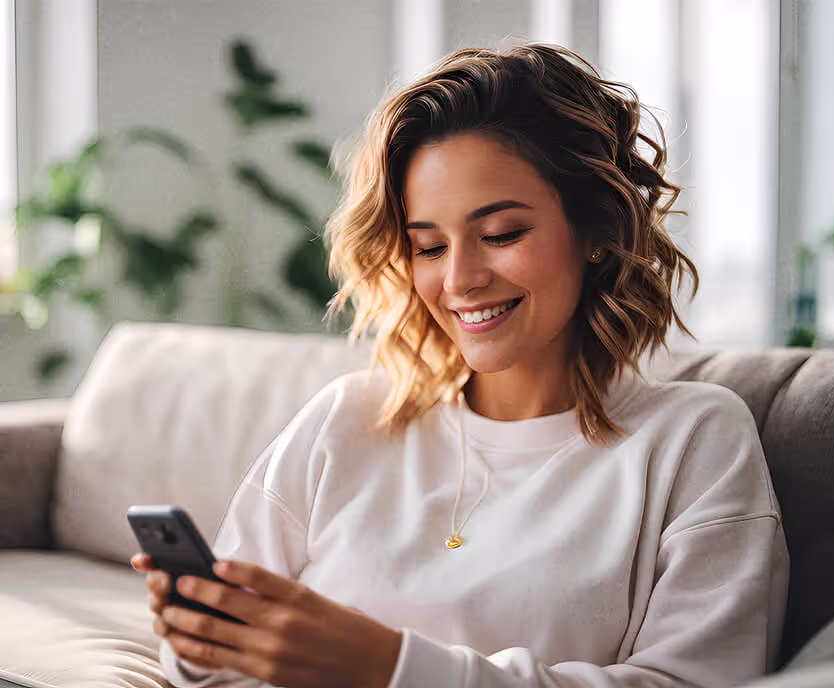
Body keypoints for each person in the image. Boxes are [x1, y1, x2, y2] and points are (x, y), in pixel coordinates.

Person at [131, 42, 789, 688]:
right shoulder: (343, 423)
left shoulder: (693, 441)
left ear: (596, 231)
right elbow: (208, 669)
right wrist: (197, 634)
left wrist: (385, 668)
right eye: (427, 246)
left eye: (501, 234)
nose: (460, 280)